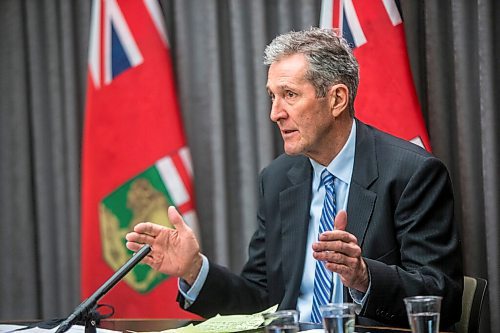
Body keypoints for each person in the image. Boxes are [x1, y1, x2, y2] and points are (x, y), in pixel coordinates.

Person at [125, 28, 463, 328]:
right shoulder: (277, 179)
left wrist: (363, 276)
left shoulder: (412, 173)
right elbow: (260, 301)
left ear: (337, 99)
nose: (275, 113)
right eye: (272, 96)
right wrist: (194, 270)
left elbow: (441, 299)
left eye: (289, 95)